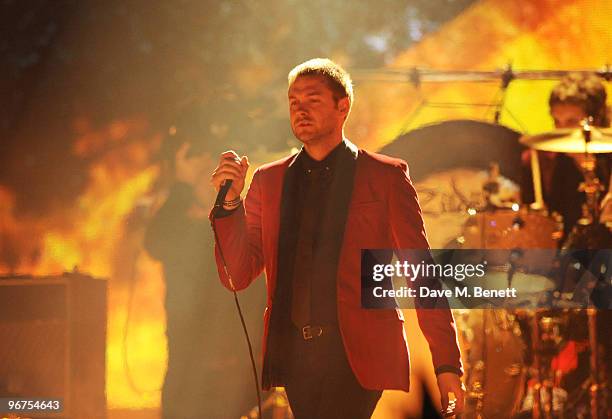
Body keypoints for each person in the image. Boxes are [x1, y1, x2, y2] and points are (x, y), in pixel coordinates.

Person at [210, 58, 464, 418]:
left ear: (342, 106)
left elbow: (421, 275)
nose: (300, 109)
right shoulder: (269, 181)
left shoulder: (385, 176)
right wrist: (231, 203)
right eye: (293, 101)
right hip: (295, 353)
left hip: (358, 352)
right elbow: (238, 274)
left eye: (312, 99)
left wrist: (446, 365)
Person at [145, 135, 263, 419]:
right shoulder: (183, 226)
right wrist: (182, 185)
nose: (205, 185)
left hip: (231, 367)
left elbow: (256, 292)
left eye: (209, 177)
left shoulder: (237, 228)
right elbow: (156, 242)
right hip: (187, 361)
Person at [521, 72, 611, 240]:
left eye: (571, 122)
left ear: (596, 120)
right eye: (557, 122)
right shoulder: (538, 161)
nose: (562, 131)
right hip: (560, 256)